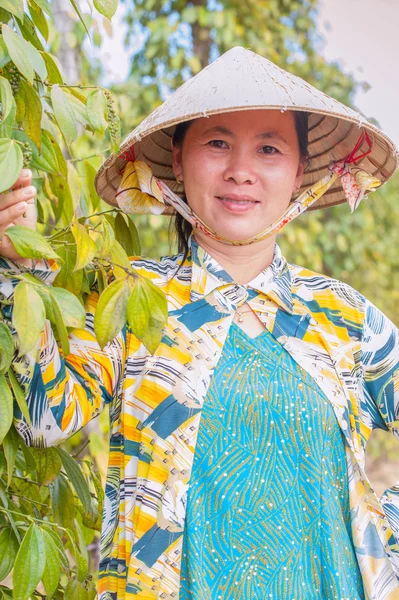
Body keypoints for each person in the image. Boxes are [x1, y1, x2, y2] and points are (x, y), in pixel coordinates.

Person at [0, 46, 398, 599]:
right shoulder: (129, 296)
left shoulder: (345, 316)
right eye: (217, 143)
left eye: (269, 148)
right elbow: (43, 417)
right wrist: (17, 273)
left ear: (299, 172)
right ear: (178, 163)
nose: (241, 171)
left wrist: (386, 536)